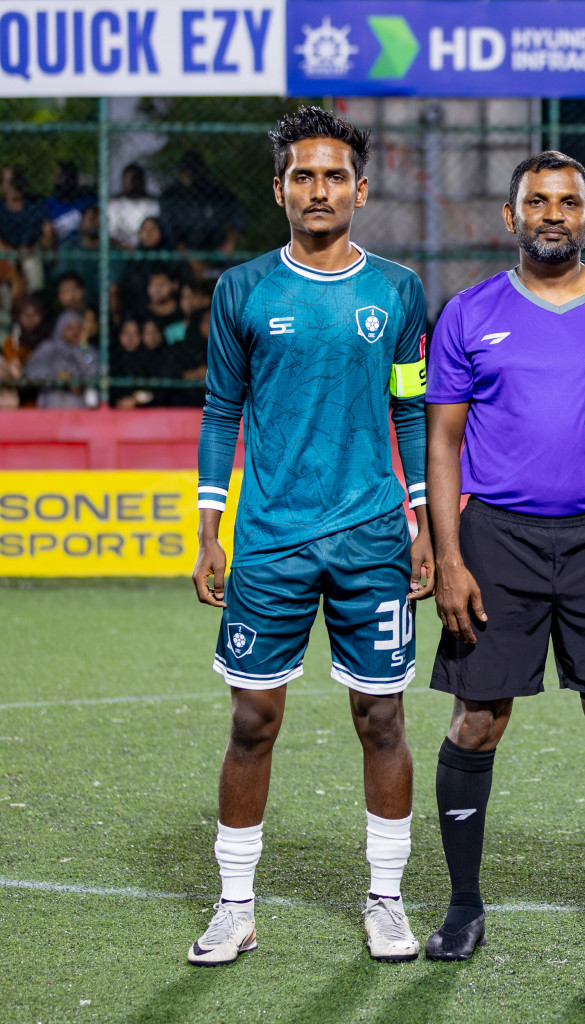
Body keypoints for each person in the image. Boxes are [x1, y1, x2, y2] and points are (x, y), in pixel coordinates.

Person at [188, 106, 435, 967]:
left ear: (360, 191)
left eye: (335, 176)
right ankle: (234, 905)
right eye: (303, 175)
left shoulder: (398, 291)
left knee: (382, 717)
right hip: (270, 541)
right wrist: (210, 525)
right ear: (280, 190)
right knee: (253, 720)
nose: (319, 189)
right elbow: (223, 411)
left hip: (371, 533)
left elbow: (410, 407)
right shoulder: (243, 290)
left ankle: (386, 899)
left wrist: (422, 519)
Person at [424, 151, 585, 962]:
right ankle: (463, 906)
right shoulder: (468, 313)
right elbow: (444, 441)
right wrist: (449, 554)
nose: (553, 214)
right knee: (476, 721)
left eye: (569, 202)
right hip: (496, 537)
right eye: (537, 201)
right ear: (511, 217)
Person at [160, 150, 246, 258]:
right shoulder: (171, 195)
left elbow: (237, 215)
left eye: (193, 171)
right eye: (185, 171)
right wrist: (184, 254)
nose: (189, 175)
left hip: (215, 250)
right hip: (182, 254)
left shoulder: (216, 191)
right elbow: (167, 229)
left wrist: (230, 243)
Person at [25, 310, 97, 408]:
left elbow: (93, 370)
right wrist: (57, 377)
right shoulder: (49, 347)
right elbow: (32, 370)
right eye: (69, 328)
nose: (74, 332)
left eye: (78, 328)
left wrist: (83, 346)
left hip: (78, 409)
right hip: (51, 405)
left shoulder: (85, 350)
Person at [108, 163, 160, 249]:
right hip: (117, 250)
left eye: (135, 179)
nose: (131, 183)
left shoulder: (152, 204)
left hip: (145, 250)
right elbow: (109, 234)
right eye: (128, 179)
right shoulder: (113, 204)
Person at [46, 161, 96, 244]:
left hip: (82, 248)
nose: (57, 180)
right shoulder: (49, 204)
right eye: (56, 176)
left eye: (61, 176)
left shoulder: (87, 201)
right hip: (58, 251)